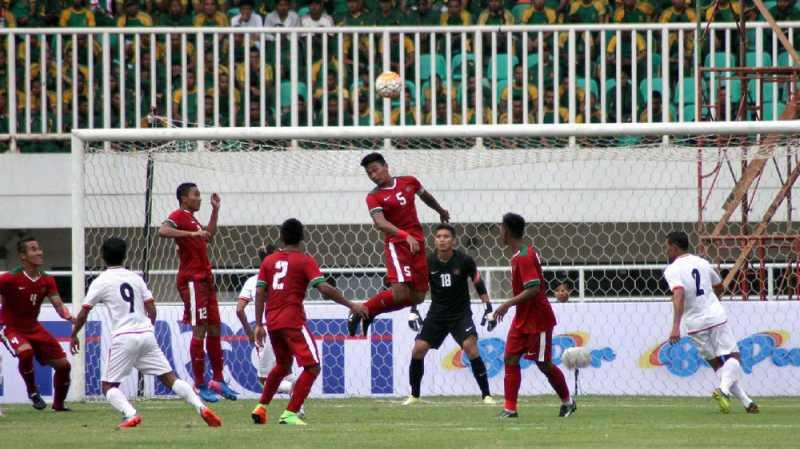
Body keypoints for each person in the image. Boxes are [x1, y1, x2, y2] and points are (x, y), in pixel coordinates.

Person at [70, 238, 222, 429]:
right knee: (170, 378)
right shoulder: (135, 278)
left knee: (108, 386)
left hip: (124, 337)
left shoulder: (101, 281)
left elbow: (84, 312)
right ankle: (201, 407)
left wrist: (74, 333)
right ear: (125, 256)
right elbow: (151, 308)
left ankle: (130, 414)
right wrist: (149, 327)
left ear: (102, 256)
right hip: (146, 335)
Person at [250, 219, 367, 425]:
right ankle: (290, 413)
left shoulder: (269, 261)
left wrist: (259, 324)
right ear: (302, 237)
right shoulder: (304, 260)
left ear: (282, 237)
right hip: (292, 321)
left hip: (272, 321)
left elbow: (260, 291)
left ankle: (261, 408)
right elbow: (324, 288)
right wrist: (351, 305)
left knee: (282, 364)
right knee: (313, 367)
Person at [347, 152, 450, 336]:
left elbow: (425, 196)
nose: (373, 176)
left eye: (375, 170)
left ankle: (369, 311)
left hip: (417, 243)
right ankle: (362, 310)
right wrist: (404, 235)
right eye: (369, 173)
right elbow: (380, 222)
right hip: (397, 244)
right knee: (400, 294)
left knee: (418, 297)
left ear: (385, 166)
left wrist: (440, 210)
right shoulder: (373, 197)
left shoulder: (409, 182)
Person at [663, 231, 759, 414]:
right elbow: (719, 285)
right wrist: (712, 299)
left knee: (716, 364)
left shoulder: (672, 269)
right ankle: (724, 391)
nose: (666, 250)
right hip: (715, 317)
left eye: (667, 247)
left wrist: (675, 326)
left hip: (695, 324)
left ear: (674, 247)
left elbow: (679, 293)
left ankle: (747, 402)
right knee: (733, 359)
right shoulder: (702, 262)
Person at [158, 183, 238, 402]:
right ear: (184, 198)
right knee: (200, 330)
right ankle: (200, 383)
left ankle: (219, 380)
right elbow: (163, 230)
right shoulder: (180, 215)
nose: (199, 199)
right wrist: (192, 233)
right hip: (192, 281)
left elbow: (208, 235)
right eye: (196, 195)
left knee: (214, 328)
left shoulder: (192, 219)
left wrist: (215, 210)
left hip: (206, 281)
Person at [403, 224, 495, 405]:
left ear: (453, 240)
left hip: (460, 314)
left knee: (471, 347)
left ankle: (486, 395)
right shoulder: (427, 262)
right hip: (437, 314)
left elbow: (478, 283)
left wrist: (488, 308)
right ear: (434, 240)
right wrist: (413, 310)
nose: (442, 239)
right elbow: (419, 288)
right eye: (438, 236)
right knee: (418, 349)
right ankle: (414, 395)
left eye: (446, 236)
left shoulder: (465, 260)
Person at [493, 213, 575, 418]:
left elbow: (534, 288)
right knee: (510, 358)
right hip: (523, 317)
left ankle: (567, 401)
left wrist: (506, 304)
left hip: (537, 319)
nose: (499, 233)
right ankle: (510, 409)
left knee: (543, 363)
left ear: (507, 231)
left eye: (501, 228)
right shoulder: (519, 255)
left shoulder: (525, 256)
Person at [0, 237, 73, 411]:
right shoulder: (9, 278)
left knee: (64, 365)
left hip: (34, 328)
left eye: (39, 248)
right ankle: (33, 391)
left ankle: (58, 405)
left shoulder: (47, 280)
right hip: (10, 327)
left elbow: (58, 305)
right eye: (33, 249)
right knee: (26, 353)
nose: (39, 252)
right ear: (23, 256)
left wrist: (69, 316)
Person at [236, 244, 297, 393]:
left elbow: (239, 309)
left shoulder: (253, 281)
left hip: (266, 329)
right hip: (287, 325)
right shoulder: (284, 278)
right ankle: (298, 408)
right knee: (286, 369)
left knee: (264, 381)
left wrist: (250, 331)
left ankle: (294, 389)